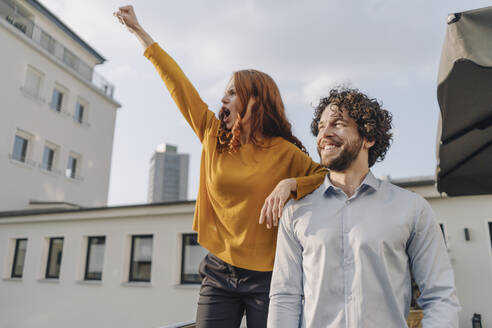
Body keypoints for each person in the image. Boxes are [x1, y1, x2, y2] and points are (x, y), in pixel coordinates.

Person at [114, 6, 327, 328]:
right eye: (224, 93)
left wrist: (290, 184)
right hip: (218, 272)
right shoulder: (214, 137)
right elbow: (178, 84)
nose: (222, 100)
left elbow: (325, 178)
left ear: (254, 100)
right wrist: (138, 31)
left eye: (231, 93)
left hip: (269, 279)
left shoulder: (285, 153)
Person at [268, 87, 461, 327]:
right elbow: (284, 297)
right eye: (320, 127)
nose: (324, 133)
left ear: (368, 137)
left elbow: (440, 295)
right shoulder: (295, 213)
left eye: (337, 124)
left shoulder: (412, 209)